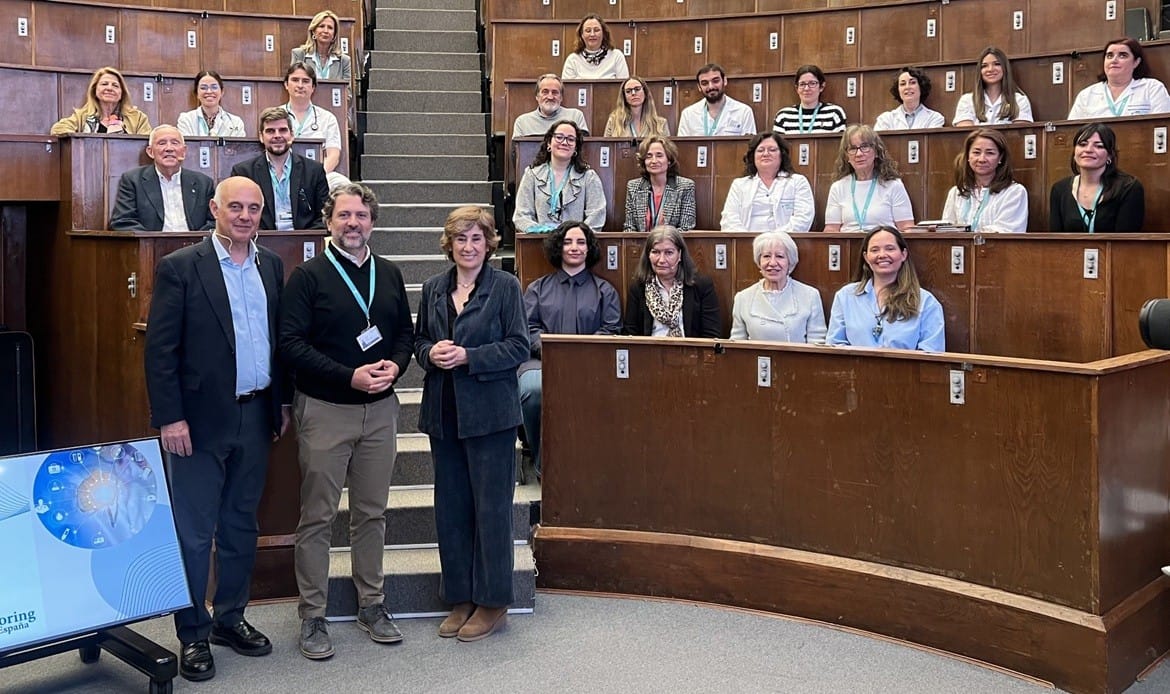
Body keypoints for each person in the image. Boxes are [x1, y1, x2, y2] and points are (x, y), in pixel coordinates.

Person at [143, 176, 288, 682]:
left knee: (241, 525)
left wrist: (280, 402)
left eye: (254, 208)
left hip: (255, 415)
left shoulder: (271, 265)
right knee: (193, 532)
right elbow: (160, 352)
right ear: (214, 209)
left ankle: (230, 617)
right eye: (235, 207)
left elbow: (275, 341)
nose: (245, 216)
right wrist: (169, 417)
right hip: (197, 423)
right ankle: (192, 633)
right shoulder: (181, 267)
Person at [279, 183, 414, 660]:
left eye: (361, 215)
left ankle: (371, 605)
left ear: (372, 222)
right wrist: (348, 376)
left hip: (380, 411)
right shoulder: (308, 276)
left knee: (371, 514)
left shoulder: (390, 274)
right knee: (317, 516)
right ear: (329, 221)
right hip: (326, 410)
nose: (353, 223)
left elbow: (404, 334)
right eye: (344, 216)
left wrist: (396, 366)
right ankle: (312, 615)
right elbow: (291, 345)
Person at [414, 206, 529, 642]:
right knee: (452, 510)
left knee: (492, 510)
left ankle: (493, 600)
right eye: (460, 239)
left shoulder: (505, 287)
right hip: (443, 413)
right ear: (450, 244)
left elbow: (519, 345)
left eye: (476, 238)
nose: (468, 246)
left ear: (488, 243)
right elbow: (419, 341)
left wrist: (469, 357)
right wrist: (431, 354)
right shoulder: (433, 287)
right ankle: (460, 596)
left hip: (491, 415)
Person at [519, 221, 621, 477]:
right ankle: (544, 464)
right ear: (558, 248)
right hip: (541, 361)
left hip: (592, 361)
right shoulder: (537, 289)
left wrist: (580, 355)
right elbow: (527, 328)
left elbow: (611, 329)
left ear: (589, 249)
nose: (574, 248)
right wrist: (553, 352)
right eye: (567, 242)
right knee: (532, 390)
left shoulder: (604, 290)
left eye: (581, 242)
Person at [826, 226, 944, 351]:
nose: (882, 255)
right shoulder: (846, 296)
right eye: (875, 250)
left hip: (907, 371)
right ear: (866, 257)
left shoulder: (926, 302)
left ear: (903, 254)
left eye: (890, 249)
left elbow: (931, 356)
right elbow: (834, 347)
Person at [231, 107, 329, 231]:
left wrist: (307, 238)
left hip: (304, 240)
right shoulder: (243, 172)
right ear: (261, 137)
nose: (277, 136)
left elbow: (324, 215)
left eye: (282, 130)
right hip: (261, 240)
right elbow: (237, 215)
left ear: (292, 135)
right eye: (270, 131)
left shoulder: (314, 170)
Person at [109, 125, 216, 231]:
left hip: (194, 246)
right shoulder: (133, 180)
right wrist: (151, 243)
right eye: (162, 143)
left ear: (184, 151)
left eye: (175, 143)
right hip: (151, 246)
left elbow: (215, 222)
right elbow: (122, 221)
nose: (169, 148)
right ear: (150, 152)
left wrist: (197, 244)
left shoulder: (203, 183)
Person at [624, 225, 721, 338]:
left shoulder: (702, 286)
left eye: (669, 253)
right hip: (650, 353)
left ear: (680, 255)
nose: (661, 260)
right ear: (648, 255)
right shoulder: (638, 287)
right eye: (655, 252)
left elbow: (712, 335)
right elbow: (630, 334)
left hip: (691, 353)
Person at [730, 231, 826, 343]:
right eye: (766, 256)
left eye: (780, 256)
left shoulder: (810, 295)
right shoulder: (743, 298)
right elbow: (737, 345)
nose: (772, 263)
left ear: (790, 262)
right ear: (759, 262)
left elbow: (818, 344)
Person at [1048, 122, 1145, 233]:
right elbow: (1056, 242)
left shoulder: (1129, 188)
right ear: (1074, 153)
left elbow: (1126, 243)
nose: (1088, 150)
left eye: (1099, 146)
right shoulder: (1059, 189)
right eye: (1082, 144)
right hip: (1070, 251)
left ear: (1109, 155)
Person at [513, 120, 606, 233]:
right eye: (559, 137)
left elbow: (597, 216)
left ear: (576, 148)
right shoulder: (531, 175)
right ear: (549, 143)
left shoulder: (589, 177)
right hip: (540, 242)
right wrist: (541, 231)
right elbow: (521, 216)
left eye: (571, 139)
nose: (564, 142)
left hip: (576, 245)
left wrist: (575, 236)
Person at [823, 125, 914, 232]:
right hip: (848, 245)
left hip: (882, 244)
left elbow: (906, 228)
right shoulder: (838, 187)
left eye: (864, 147)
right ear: (846, 156)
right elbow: (831, 229)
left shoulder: (893, 185)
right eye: (852, 149)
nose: (859, 154)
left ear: (876, 152)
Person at [720, 132, 814, 233]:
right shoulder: (739, 185)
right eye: (760, 150)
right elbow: (729, 221)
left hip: (785, 243)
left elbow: (803, 219)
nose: (765, 154)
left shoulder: (798, 182)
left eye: (772, 150)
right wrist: (747, 241)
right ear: (753, 156)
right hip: (747, 243)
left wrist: (774, 239)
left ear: (782, 155)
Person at [940, 128, 1028, 233]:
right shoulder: (956, 192)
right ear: (968, 156)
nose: (982, 159)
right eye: (976, 152)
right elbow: (946, 232)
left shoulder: (1014, 192)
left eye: (990, 153)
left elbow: (1005, 232)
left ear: (1001, 158)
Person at [1068, 37, 1170, 120]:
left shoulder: (1153, 88)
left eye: (1122, 55)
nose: (1114, 60)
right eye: (1109, 56)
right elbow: (1074, 133)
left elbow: (1163, 126)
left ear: (1136, 62)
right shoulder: (1086, 95)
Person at [279, 62, 345, 180]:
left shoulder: (327, 118)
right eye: (295, 80)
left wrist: (316, 177)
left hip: (318, 175)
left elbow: (333, 155)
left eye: (305, 81)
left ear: (313, 87)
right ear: (286, 85)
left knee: (341, 182)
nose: (300, 85)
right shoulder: (275, 116)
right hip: (281, 174)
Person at [624, 136, 696, 232]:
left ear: (669, 160)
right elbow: (629, 228)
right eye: (649, 156)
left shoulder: (685, 187)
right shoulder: (633, 187)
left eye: (659, 155)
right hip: (642, 245)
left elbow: (685, 228)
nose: (654, 161)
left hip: (671, 245)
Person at [50, 66, 151, 135]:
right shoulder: (82, 116)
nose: (109, 88)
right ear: (94, 90)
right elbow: (57, 129)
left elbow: (147, 141)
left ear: (122, 93)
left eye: (115, 85)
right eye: (104, 84)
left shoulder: (137, 118)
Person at [952, 47, 1033, 126]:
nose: (990, 69)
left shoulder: (1020, 101)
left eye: (997, 64)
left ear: (1005, 68)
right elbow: (965, 134)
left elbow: (1019, 135)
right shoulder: (966, 101)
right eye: (984, 66)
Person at [676, 63, 757, 137]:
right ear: (699, 87)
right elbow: (683, 149)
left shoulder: (744, 111)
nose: (711, 87)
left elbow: (749, 147)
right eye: (705, 83)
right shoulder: (688, 114)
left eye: (715, 81)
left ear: (724, 81)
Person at [772, 65, 848, 135]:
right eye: (802, 84)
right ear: (797, 88)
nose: (806, 88)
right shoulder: (783, 116)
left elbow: (840, 146)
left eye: (812, 83)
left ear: (821, 87)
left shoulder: (834, 113)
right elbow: (778, 148)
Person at [512, 74, 589, 138]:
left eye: (555, 92)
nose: (550, 97)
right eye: (545, 92)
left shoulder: (575, 116)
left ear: (561, 97)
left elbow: (584, 150)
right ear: (537, 96)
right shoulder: (522, 122)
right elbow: (516, 154)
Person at [176, 71, 247, 138]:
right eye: (203, 88)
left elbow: (238, 149)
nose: (209, 91)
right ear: (197, 93)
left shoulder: (235, 122)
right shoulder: (186, 119)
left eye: (214, 87)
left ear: (222, 92)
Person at [873, 67, 945, 131]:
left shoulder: (935, 118)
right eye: (902, 84)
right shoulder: (885, 119)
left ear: (921, 87)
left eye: (912, 82)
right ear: (898, 90)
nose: (907, 87)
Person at [561, 14, 629, 80]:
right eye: (588, 31)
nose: (592, 34)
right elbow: (567, 88)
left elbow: (624, 87)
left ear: (604, 33)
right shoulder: (572, 60)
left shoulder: (616, 56)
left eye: (596, 30)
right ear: (581, 35)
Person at [291, 10, 352, 82]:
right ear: (313, 31)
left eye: (330, 27)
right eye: (321, 26)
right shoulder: (299, 54)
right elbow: (294, 83)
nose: (325, 31)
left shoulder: (344, 60)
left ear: (334, 34)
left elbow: (347, 91)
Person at [603, 76, 669, 139]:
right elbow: (607, 147)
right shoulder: (614, 121)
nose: (633, 93)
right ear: (624, 97)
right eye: (628, 91)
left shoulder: (661, 124)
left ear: (645, 92)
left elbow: (667, 149)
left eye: (637, 89)